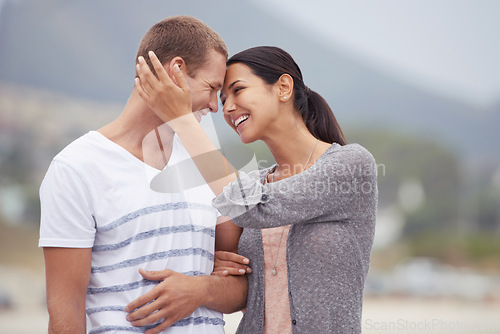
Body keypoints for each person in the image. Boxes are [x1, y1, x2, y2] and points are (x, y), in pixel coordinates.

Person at [134, 45, 378, 333]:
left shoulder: (350, 165)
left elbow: (252, 208)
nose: (226, 108)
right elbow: (239, 289)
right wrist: (213, 266)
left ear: (283, 87)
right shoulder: (254, 184)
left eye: (238, 90)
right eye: (223, 99)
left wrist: (183, 121)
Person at [39, 16, 247, 334]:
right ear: (176, 71)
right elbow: (66, 308)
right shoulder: (77, 168)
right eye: (211, 88)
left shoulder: (205, 163)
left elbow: (242, 287)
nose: (214, 106)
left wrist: (201, 289)